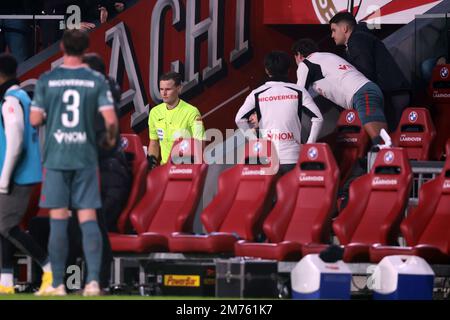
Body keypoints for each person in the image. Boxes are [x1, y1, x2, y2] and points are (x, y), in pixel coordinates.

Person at [30, 29, 118, 296]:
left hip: (57, 156)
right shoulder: (95, 80)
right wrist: (107, 142)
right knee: (88, 217)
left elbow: (34, 119)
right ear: (86, 47)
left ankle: (57, 284)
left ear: (61, 47)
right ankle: (93, 282)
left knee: (58, 220)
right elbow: (111, 121)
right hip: (85, 156)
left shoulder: (48, 78)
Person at [0, 53, 52, 295]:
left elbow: (16, 140)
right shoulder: (21, 96)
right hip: (25, 172)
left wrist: (4, 177)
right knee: (2, 226)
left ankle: (50, 269)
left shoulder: (11, 100)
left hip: (18, 174)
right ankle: (6, 281)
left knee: (8, 227)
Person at [235, 51, 323, 175]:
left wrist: (256, 142)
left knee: (273, 194)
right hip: (294, 157)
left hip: (268, 160)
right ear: (288, 70)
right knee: (294, 194)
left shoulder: (257, 93)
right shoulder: (298, 91)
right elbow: (318, 118)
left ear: (267, 70)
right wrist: (309, 145)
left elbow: (239, 119)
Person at [293, 38, 388, 145]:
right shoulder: (328, 56)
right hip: (369, 90)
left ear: (299, 55)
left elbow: (297, 98)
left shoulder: (305, 64)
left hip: (363, 95)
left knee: (381, 143)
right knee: (374, 144)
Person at [329, 12, 411, 132]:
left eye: (333, 30)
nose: (332, 35)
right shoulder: (358, 39)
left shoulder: (357, 40)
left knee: (389, 139)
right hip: (392, 94)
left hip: (392, 96)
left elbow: (365, 74)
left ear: (344, 28)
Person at [147, 71, 205, 168]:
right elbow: (154, 143)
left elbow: (200, 143)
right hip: (164, 168)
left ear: (179, 89)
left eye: (168, 89)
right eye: (161, 89)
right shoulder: (154, 113)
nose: (164, 93)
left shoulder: (192, 112)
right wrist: (151, 162)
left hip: (186, 168)